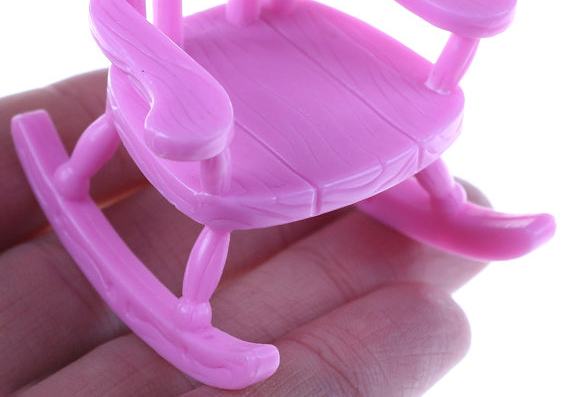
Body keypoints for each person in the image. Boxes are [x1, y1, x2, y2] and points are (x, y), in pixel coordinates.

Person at [0, 70, 486, 396]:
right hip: (174, 90)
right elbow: (111, 6)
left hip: (279, 46)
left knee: (406, 117)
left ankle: (447, 204)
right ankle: (189, 314)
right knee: (224, 184)